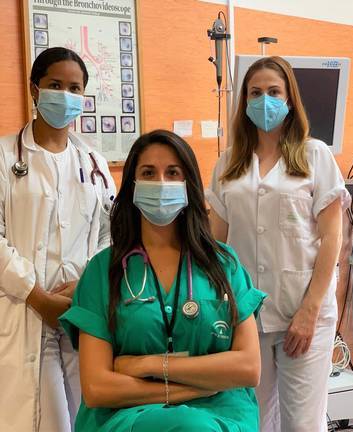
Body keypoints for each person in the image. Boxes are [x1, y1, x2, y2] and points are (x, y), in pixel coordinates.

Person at [59, 129, 266, 432]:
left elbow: (248, 368)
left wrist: (148, 365)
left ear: (188, 184)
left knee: (194, 427)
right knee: (187, 425)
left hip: (222, 415)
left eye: (172, 173)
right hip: (126, 417)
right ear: (132, 186)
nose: (161, 182)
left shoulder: (224, 265)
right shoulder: (103, 272)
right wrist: (200, 386)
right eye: (148, 173)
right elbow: (97, 387)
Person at [206, 56, 351, 432]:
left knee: (302, 425)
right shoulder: (228, 164)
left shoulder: (314, 154)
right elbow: (215, 243)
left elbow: (332, 238)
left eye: (274, 92)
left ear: (290, 100)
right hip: (246, 316)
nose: (264, 100)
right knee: (251, 422)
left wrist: (310, 311)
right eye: (255, 93)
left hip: (302, 312)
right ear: (244, 101)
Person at [0, 47, 116, 432]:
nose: (66, 95)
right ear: (35, 89)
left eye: (75, 88)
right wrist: (36, 295)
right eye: (55, 85)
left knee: (86, 413)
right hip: (25, 308)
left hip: (81, 308)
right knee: (42, 419)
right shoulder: (4, 156)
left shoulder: (94, 163)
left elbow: (111, 232)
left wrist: (86, 283)